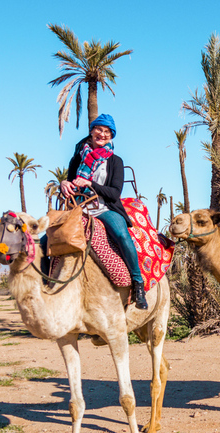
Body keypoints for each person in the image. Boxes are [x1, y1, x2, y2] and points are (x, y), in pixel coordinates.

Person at [59, 113, 148, 309]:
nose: (102, 134)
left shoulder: (115, 161)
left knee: (122, 235)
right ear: (92, 131)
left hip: (104, 208)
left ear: (111, 136)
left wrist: (90, 183)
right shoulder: (78, 158)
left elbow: (115, 193)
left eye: (107, 132)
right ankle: (47, 284)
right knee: (49, 238)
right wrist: (64, 184)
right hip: (79, 209)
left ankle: (137, 283)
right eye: (99, 129)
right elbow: (71, 181)